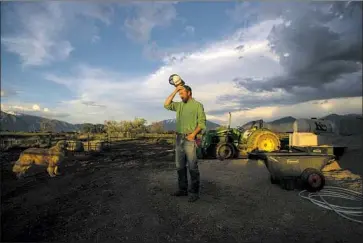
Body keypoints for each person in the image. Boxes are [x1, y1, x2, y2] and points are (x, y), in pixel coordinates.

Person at [164, 85, 206, 202]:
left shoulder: (198, 105)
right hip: (179, 138)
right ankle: (182, 190)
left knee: (192, 166)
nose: (181, 96)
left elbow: (202, 123)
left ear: (189, 93)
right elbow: (166, 104)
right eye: (179, 94)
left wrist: (193, 134)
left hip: (190, 138)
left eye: (182, 93)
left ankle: (194, 192)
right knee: (180, 166)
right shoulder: (179, 105)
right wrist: (176, 90)